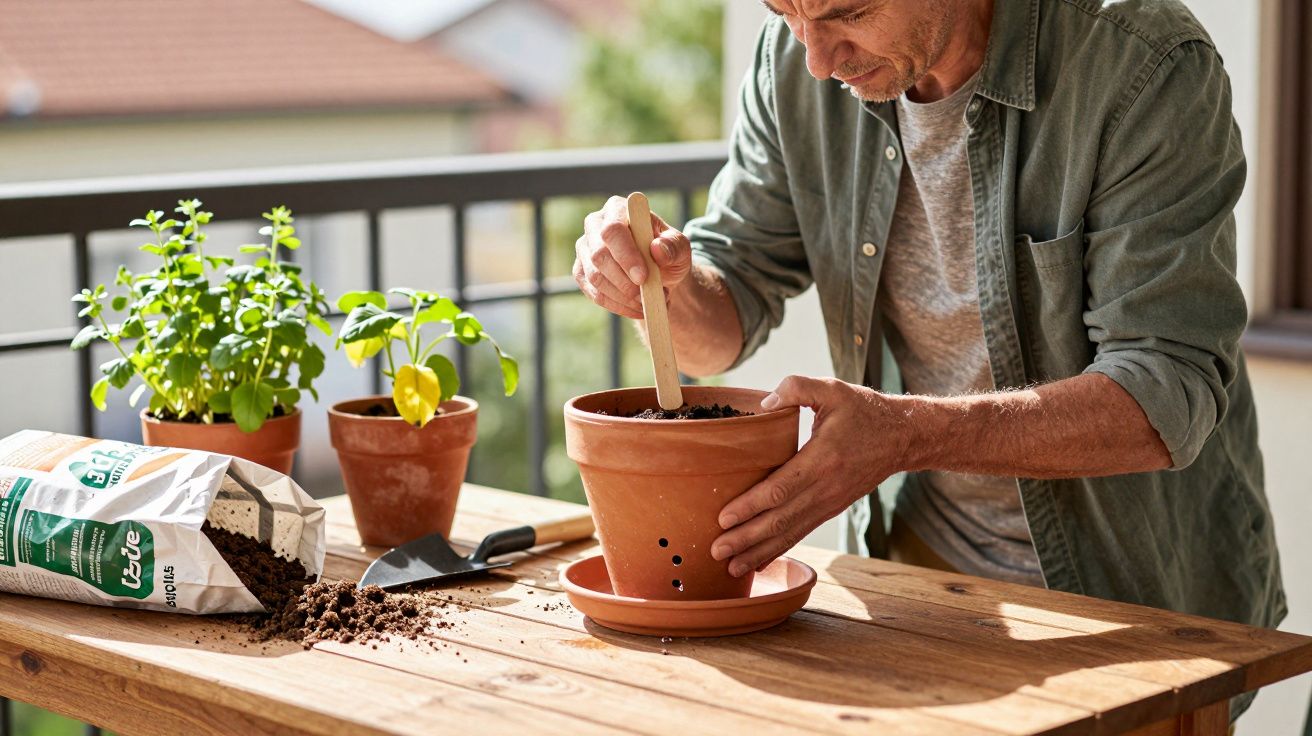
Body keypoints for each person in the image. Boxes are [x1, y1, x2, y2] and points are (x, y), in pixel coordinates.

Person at [572, 0, 1284, 719]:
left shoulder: (1141, 62)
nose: (817, 59)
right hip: (910, 585)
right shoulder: (793, 61)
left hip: (1129, 608)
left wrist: (903, 434)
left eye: (846, 13)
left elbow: (1166, 393)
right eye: (785, 12)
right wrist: (664, 289)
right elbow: (724, 318)